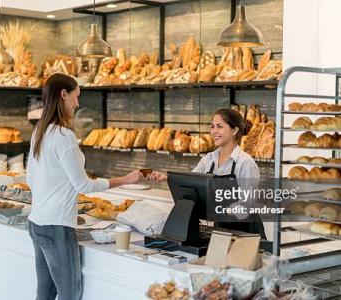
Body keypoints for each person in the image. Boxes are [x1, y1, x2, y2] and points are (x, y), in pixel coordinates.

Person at [26, 73, 143, 300]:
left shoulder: (39, 130)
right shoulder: (63, 136)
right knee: (70, 294)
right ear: (63, 94)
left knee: (45, 292)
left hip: (36, 222)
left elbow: (30, 178)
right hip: (57, 227)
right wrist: (126, 179)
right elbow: (83, 185)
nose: (77, 104)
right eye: (76, 97)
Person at [147, 108, 266, 238]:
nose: (214, 131)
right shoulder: (209, 159)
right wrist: (166, 178)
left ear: (235, 130)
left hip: (245, 233)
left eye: (219, 126)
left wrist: (221, 210)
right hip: (220, 231)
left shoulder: (245, 163)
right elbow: (191, 181)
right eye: (212, 127)